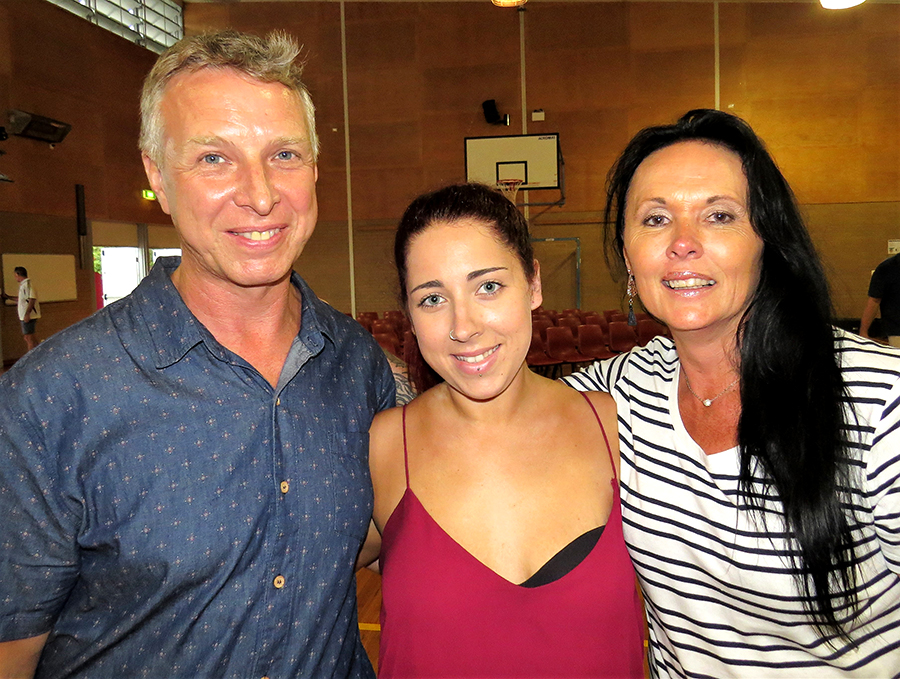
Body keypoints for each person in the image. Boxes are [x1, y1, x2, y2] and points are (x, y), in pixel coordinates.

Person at [0, 30, 394, 679]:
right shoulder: (51, 397)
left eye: (284, 154)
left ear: (316, 168)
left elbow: (359, 540)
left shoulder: (357, 364)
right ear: (157, 176)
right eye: (214, 158)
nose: (260, 194)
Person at [562, 109, 900, 676]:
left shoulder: (880, 401)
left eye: (719, 216)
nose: (683, 244)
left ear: (768, 240)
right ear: (627, 255)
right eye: (655, 219)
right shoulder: (617, 393)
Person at [358, 183, 645, 678]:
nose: (463, 326)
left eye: (488, 287)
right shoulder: (383, 446)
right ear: (409, 315)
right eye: (432, 299)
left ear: (533, 284)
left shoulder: (615, 427)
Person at [859, 252, 900, 345]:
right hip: (897, 331)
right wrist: (863, 332)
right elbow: (874, 301)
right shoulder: (886, 268)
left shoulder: (886, 267)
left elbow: (874, 301)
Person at [1, 266, 40, 352]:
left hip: (29, 315)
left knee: (28, 338)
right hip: (24, 315)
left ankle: (31, 356)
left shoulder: (28, 285)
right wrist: (8, 297)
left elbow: (32, 298)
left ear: (17, 274)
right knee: (30, 336)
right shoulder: (23, 285)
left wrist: (27, 314)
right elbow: (22, 299)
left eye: (15, 275)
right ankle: (38, 352)